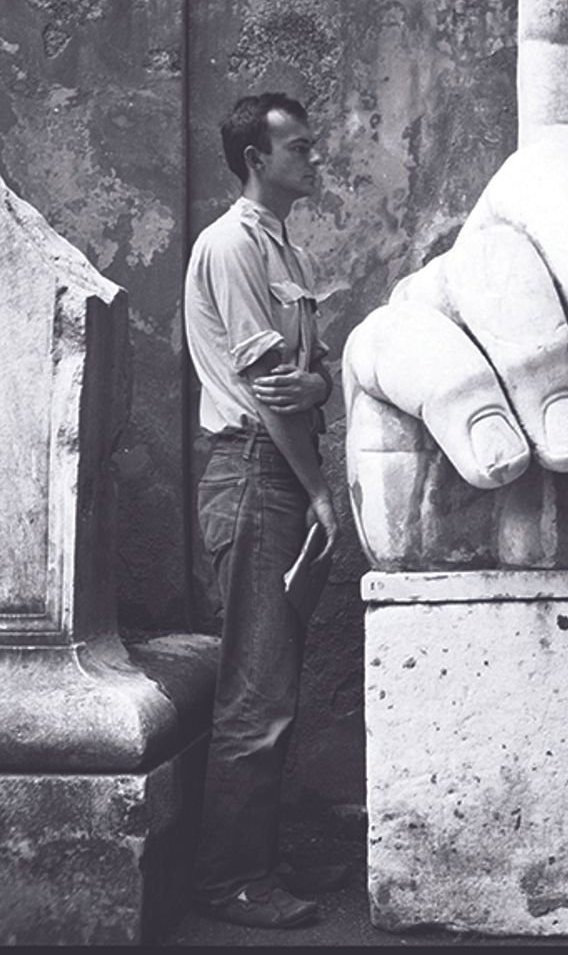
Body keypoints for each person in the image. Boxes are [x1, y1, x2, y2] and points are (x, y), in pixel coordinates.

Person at [183, 92, 347, 929]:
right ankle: (229, 883)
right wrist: (320, 489)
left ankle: (255, 866)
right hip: (255, 471)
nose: (314, 160)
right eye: (301, 149)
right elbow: (269, 386)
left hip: (278, 467)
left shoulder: (289, 249)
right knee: (256, 691)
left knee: (272, 684)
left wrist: (319, 385)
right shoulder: (232, 246)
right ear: (257, 157)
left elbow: (310, 380)